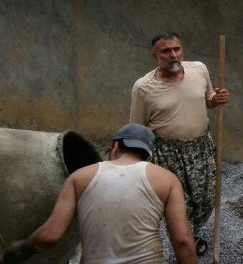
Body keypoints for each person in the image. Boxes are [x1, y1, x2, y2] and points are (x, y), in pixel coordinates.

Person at [2, 123, 197, 264]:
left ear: (115, 146)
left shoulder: (79, 177)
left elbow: (49, 236)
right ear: (147, 154)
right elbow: (182, 240)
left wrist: (17, 250)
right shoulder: (166, 179)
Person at [130, 32, 230, 256]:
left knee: (205, 200)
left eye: (176, 49)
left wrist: (216, 99)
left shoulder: (199, 70)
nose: (173, 55)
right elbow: (137, 127)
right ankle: (183, 245)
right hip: (167, 154)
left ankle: (188, 234)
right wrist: (133, 163)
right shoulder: (143, 88)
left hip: (201, 147)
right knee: (177, 206)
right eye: (166, 51)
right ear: (155, 55)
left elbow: (208, 98)